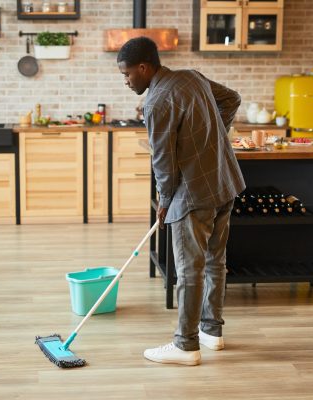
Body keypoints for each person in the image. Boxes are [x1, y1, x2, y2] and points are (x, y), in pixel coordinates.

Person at [117, 37, 245, 366]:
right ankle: (211, 332)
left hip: (194, 195)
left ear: (144, 68)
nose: (127, 81)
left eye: (127, 74)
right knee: (215, 260)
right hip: (223, 181)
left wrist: (163, 201)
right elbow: (232, 99)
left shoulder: (156, 102)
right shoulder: (192, 77)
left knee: (189, 271)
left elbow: (163, 163)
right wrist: (210, 136)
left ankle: (186, 345)